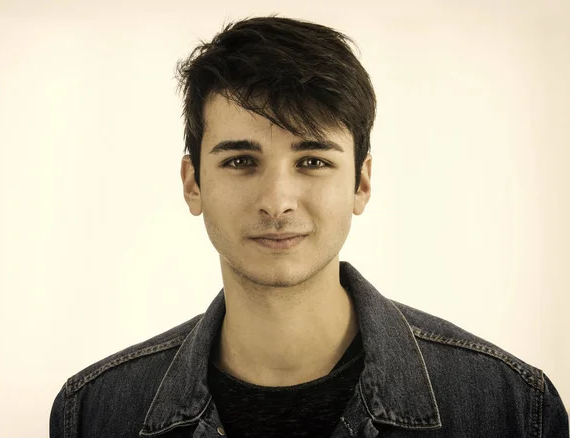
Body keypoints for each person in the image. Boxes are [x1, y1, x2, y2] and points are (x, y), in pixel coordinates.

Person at [49, 15, 568, 437]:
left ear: (361, 183)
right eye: (240, 161)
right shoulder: (93, 413)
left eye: (313, 161)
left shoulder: (512, 408)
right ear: (193, 183)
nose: (277, 202)